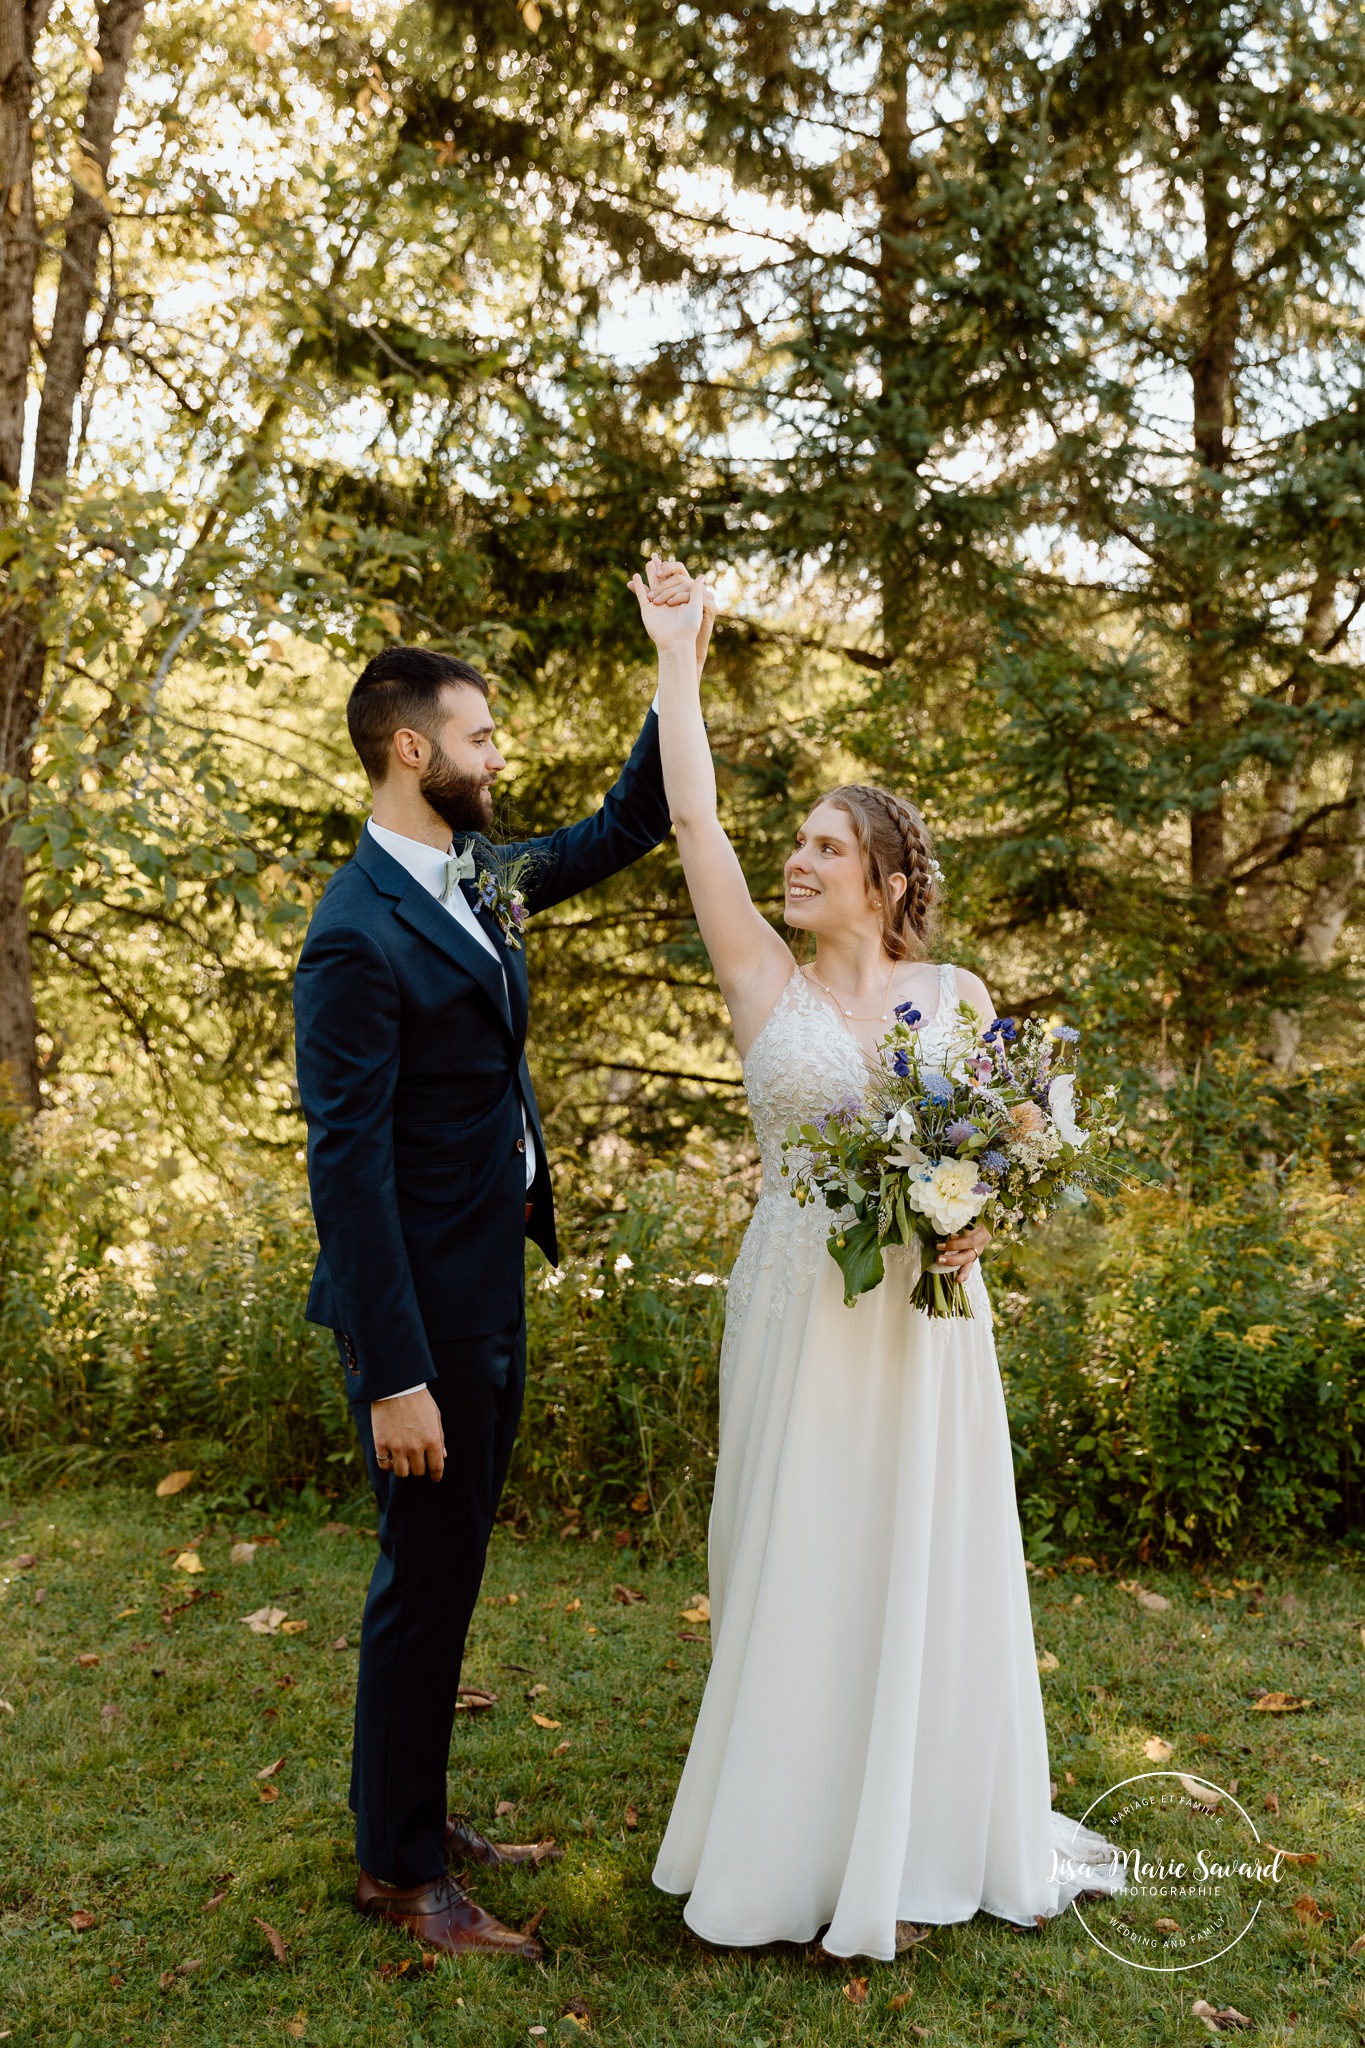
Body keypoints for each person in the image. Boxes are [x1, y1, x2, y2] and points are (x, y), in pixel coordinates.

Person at [631, 560, 1125, 1960]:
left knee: (918, 1549)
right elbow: (689, 815)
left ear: (890, 880)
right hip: (799, 1304)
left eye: (826, 849)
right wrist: (681, 657)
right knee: (793, 1550)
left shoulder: (953, 998)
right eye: (794, 844)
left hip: (924, 1319)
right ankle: (782, 1841)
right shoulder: (756, 978)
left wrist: (984, 1216)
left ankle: (923, 1823)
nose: (794, 862)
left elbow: (1020, 1134)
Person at [292, 621, 706, 1956]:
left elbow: (627, 819)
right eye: (478, 736)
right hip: (422, 1317)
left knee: (449, 1565)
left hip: (486, 1280)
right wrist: (394, 1376)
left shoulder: (474, 875)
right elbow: (346, 1175)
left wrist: (674, 663)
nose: (497, 753)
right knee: (421, 1579)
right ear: (411, 750)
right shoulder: (356, 936)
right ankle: (404, 1875)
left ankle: (410, 1810)